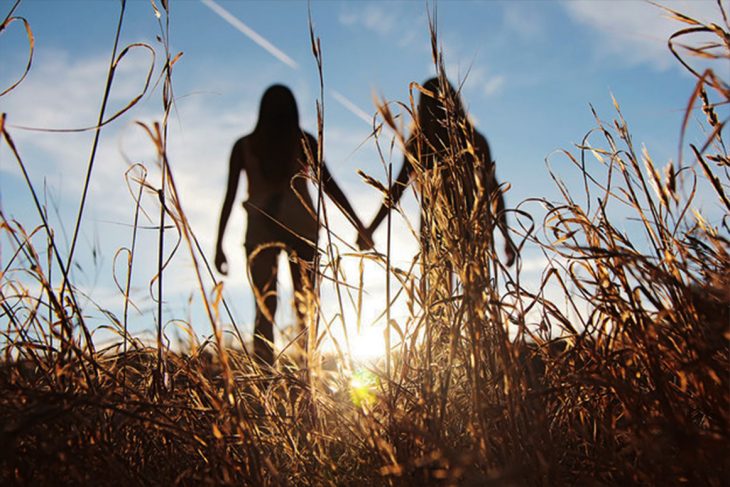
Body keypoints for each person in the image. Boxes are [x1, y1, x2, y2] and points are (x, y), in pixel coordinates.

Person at [215, 84, 371, 367]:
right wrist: (360, 227)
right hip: (299, 229)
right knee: (303, 310)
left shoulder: (250, 145)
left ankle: (270, 379)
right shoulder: (297, 141)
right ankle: (303, 377)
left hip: (269, 230)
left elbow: (230, 197)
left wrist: (219, 245)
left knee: (268, 310)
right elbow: (331, 187)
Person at [358, 77, 516, 268]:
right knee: (458, 290)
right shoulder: (421, 144)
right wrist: (506, 235)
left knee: (450, 291)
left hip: (466, 227)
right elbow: (397, 190)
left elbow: (493, 190)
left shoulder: (471, 141)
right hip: (440, 228)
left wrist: (506, 236)